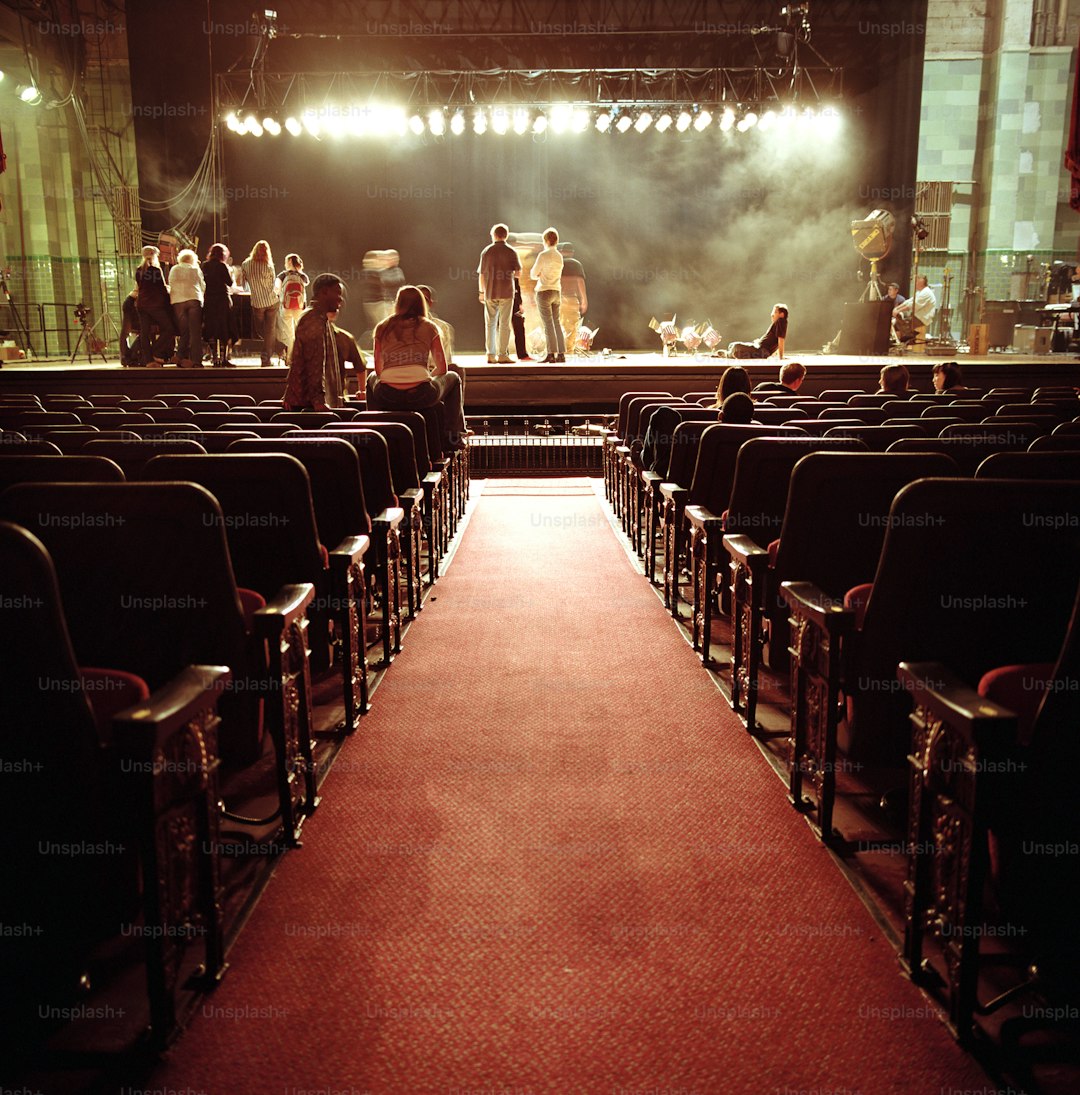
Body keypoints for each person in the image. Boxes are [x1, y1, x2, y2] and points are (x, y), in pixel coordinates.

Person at [368, 285, 468, 447]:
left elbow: (379, 370)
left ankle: (373, 431)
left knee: (371, 377)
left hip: (387, 394)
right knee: (454, 378)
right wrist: (427, 377)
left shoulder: (382, 327)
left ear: (398, 303)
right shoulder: (429, 327)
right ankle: (453, 435)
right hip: (422, 393)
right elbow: (442, 368)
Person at [282, 274, 350, 410]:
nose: (340, 299)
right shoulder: (313, 320)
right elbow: (314, 363)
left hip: (307, 403)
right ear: (324, 292)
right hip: (308, 406)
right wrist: (318, 400)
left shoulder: (319, 319)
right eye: (337, 293)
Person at [477, 223, 521, 363]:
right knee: (504, 324)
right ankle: (502, 354)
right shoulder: (511, 251)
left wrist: (481, 292)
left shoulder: (486, 251)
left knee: (490, 324)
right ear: (506, 235)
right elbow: (519, 273)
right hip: (507, 292)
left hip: (490, 292)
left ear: (493, 235)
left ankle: (490, 354)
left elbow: (481, 274)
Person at [240, 239, 280, 366]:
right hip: (272, 301)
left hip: (257, 302)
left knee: (260, 331)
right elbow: (273, 284)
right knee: (269, 331)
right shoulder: (269, 265)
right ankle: (271, 353)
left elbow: (243, 283)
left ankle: (267, 357)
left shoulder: (245, 264)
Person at [134, 245, 176, 366]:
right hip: (155, 305)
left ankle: (148, 360)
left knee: (144, 332)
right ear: (154, 256)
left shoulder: (139, 270)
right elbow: (162, 288)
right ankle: (155, 351)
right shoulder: (156, 270)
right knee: (169, 328)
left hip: (141, 304)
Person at [530, 227, 566, 363]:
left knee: (548, 324)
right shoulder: (559, 256)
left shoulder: (543, 255)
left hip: (544, 291)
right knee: (556, 323)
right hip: (557, 291)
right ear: (557, 240)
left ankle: (551, 354)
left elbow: (533, 274)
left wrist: (539, 274)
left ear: (545, 240)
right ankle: (561, 354)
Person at [167, 248, 204, 368]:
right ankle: (196, 360)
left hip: (178, 301)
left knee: (184, 331)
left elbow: (170, 283)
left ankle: (180, 356)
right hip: (194, 299)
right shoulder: (195, 269)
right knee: (195, 332)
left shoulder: (174, 269)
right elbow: (202, 285)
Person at [202, 243, 234, 368]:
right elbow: (230, 283)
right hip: (222, 300)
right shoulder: (222, 266)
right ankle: (224, 358)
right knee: (224, 328)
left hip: (209, 300)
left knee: (211, 329)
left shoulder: (204, 265)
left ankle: (214, 358)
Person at [277, 253, 309, 360]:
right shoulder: (303, 276)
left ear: (290, 261)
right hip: (299, 307)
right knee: (299, 331)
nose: (285, 264)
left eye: (286, 261)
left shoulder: (283, 275)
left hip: (286, 307)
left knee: (289, 333)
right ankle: (301, 356)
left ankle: (290, 358)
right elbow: (305, 285)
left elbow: (276, 289)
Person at [558, 242, 588, 356]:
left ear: (560, 252)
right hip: (571, 299)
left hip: (557, 299)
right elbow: (580, 282)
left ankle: (559, 351)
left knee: (558, 326)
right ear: (572, 252)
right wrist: (584, 300)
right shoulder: (576, 264)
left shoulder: (557, 263)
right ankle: (568, 353)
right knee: (572, 328)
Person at [893, 275, 937, 344]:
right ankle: (905, 339)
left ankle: (908, 339)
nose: (914, 284)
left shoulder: (926, 292)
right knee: (898, 320)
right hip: (916, 316)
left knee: (901, 323)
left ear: (920, 283)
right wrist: (897, 308)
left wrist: (898, 310)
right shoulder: (920, 292)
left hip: (922, 318)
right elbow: (909, 301)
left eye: (916, 282)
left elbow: (914, 305)